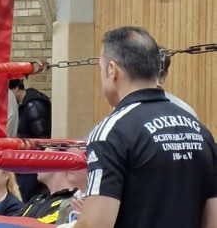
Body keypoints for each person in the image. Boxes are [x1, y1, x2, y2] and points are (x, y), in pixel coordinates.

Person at [69, 26, 217, 228]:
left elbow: (95, 225)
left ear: (112, 70)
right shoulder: (199, 130)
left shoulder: (112, 131)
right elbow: (213, 218)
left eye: (101, 69)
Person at [10, 78, 51, 201]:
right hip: (26, 159)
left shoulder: (33, 105)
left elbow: (42, 137)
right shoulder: (24, 105)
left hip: (30, 161)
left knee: (25, 195)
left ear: (16, 88)